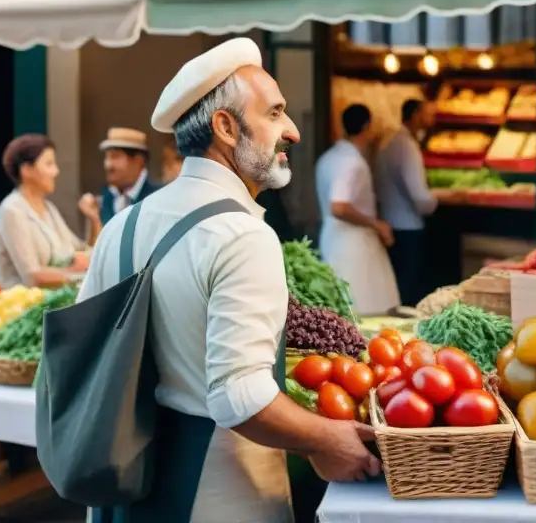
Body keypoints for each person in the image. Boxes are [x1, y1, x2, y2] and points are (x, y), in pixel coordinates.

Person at [77, 37, 379, 523]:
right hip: (214, 493)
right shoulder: (242, 235)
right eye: (276, 113)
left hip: (120, 491)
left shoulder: (121, 225)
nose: (294, 132)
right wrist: (326, 440)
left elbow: (90, 351)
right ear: (225, 126)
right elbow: (239, 396)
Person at [315, 104, 400, 315]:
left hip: (332, 238)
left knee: (341, 308)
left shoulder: (329, 157)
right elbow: (339, 207)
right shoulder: (351, 162)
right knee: (363, 309)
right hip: (353, 245)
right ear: (367, 127)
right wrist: (376, 224)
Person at [0, 134, 91, 289]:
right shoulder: (12, 211)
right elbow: (32, 276)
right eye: (49, 164)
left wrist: (93, 219)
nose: (56, 171)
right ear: (27, 170)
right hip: (16, 307)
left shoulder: (49, 208)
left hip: (49, 302)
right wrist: (78, 275)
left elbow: (81, 252)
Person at [375, 98, 439, 306]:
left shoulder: (391, 142)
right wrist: (435, 201)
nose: (431, 119)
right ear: (415, 116)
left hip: (391, 223)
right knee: (410, 289)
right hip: (409, 226)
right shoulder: (407, 146)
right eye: (426, 114)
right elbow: (419, 195)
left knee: (400, 285)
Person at [78, 128, 161, 243]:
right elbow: (96, 252)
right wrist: (94, 220)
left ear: (138, 161)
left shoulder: (158, 198)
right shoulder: (104, 198)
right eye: (107, 157)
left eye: (115, 157)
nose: (108, 165)